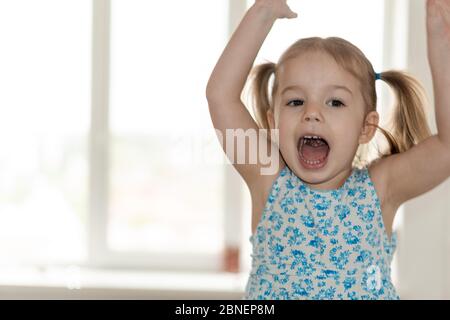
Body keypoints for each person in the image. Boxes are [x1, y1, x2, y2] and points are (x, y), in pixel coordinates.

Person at [205, 0, 450, 299]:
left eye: (335, 102)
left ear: (366, 127)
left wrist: (440, 37)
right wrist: (261, 13)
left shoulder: (381, 187)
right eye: (296, 101)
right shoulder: (266, 177)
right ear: (273, 122)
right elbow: (221, 96)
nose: (312, 112)